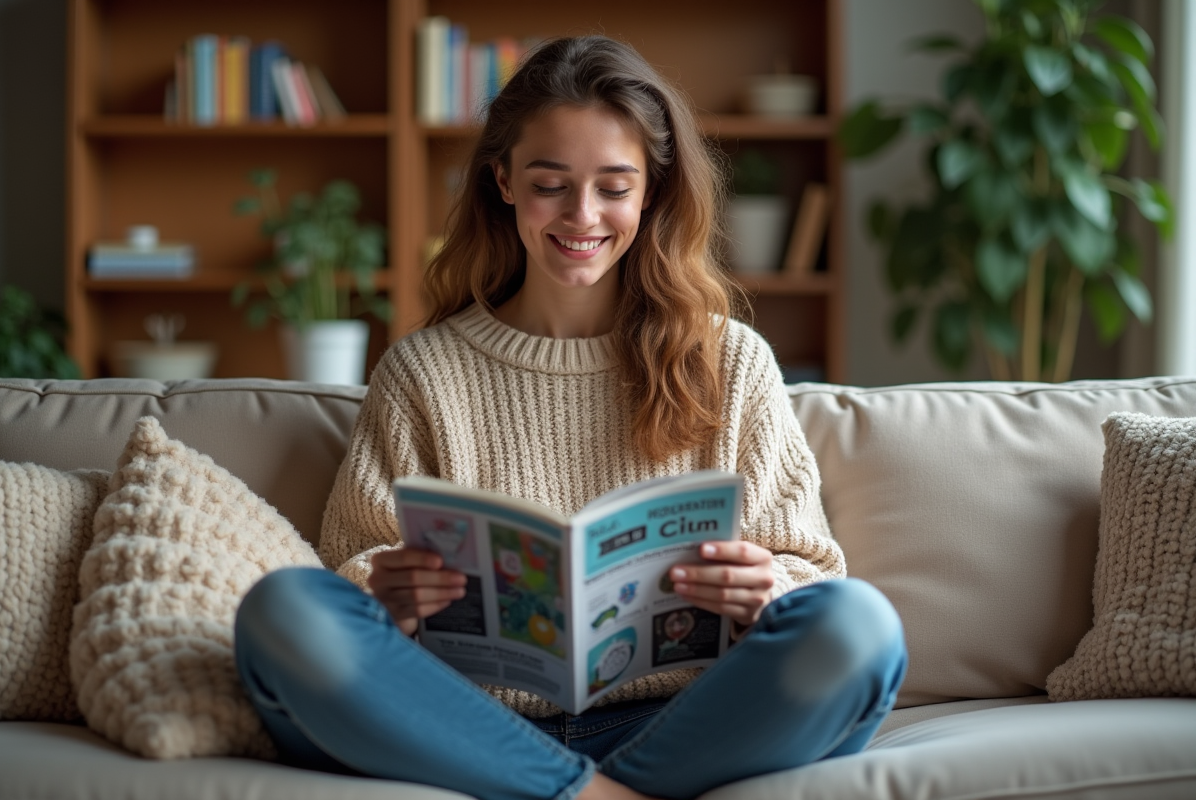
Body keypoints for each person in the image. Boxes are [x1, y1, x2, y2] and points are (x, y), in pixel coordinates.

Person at [234, 35, 907, 800]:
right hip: (464, 723)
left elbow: (813, 573)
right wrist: (385, 590)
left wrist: (768, 590)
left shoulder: (731, 361)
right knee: (283, 610)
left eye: (613, 187)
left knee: (859, 627)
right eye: (551, 184)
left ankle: (563, 791)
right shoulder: (423, 372)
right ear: (504, 183)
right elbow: (349, 575)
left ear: (651, 191)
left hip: (677, 721)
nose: (582, 215)